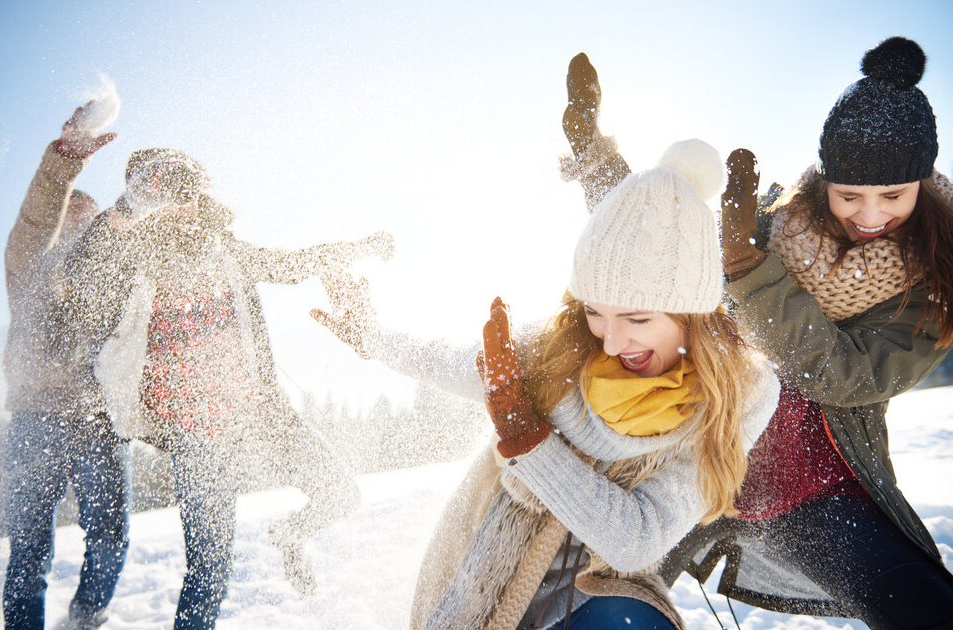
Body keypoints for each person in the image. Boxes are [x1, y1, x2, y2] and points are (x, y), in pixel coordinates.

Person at [561, 40, 953, 628]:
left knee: (925, 608)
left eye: (892, 197)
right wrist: (591, 150)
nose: (870, 216)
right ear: (824, 184)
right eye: (850, 196)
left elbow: (848, 377)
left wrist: (749, 274)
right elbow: (651, 246)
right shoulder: (768, 226)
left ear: (921, 186)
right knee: (597, 610)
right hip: (691, 476)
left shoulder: (932, 285)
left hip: (814, 495)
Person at [311, 138, 781, 629]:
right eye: (595, 312)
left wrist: (528, 440)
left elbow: (635, 540)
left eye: (637, 319)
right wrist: (369, 336)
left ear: (693, 313)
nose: (613, 342)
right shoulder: (561, 348)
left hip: (602, 590)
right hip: (492, 575)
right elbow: (447, 360)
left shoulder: (739, 392)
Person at [56, 149, 390, 629]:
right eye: (169, 194)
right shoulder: (128, 265)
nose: (185, 205)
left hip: (260, 416)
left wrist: (359, 247)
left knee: (341, 493)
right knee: (209, 573)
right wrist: (127, 209)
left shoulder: (223, 248)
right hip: (198, 441)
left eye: (190, 193)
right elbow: (82, 286)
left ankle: (290, 534)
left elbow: (292, 263)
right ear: (146, 202)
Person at [2, 104, 129, 630]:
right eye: (69, 218)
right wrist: (62, 165)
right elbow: (36, 220)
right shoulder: (32, 262)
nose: (78, 227)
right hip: (37, 416)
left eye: (89, 221)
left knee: (109, 536)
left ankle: (86, 619)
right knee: (29, 547)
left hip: (98, 420)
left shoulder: (109, 275)